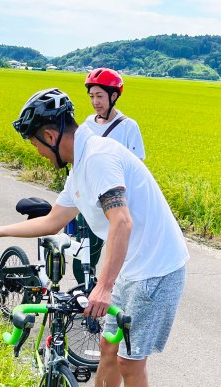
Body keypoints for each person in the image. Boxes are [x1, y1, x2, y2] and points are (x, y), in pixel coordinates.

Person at [0, 88, 188, 387]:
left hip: (156, 270)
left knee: (132, 362)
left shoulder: (98, 159)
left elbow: (122, 221)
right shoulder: (81, 164)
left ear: (50, 136)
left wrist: (103, 285)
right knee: (107, 350)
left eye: (34, 142)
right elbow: (55, 219)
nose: (34, 150)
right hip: (130, 267)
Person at [72, 68, 146, 286]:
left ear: (114, 96)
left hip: (117, 204)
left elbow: (136, 168)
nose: (95, 102)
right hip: (90, 203)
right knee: (83, 259)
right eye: (92, 96)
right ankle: (89, 296)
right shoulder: (86, 124)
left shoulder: (128, 127)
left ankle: (113, 296)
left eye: (100, 96)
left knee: (121, 257)